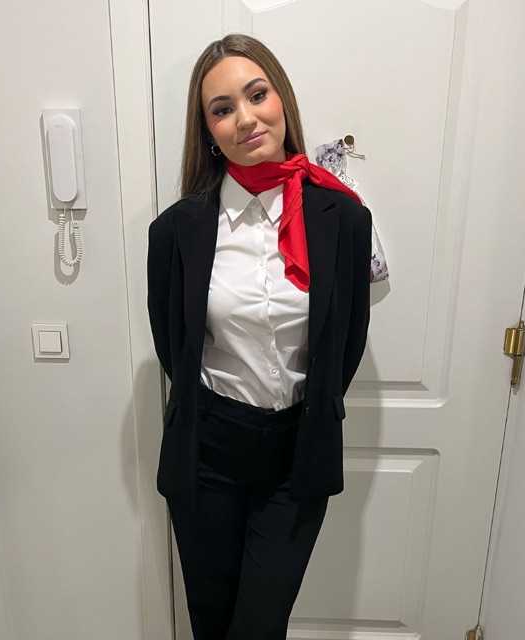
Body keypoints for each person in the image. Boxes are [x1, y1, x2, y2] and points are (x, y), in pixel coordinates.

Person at [147, 33, 372, 640]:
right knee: (212, 626)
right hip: (207, 455)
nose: (245, 119)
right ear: (208, 131)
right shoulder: (175, 232)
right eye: (222, 109)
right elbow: (173, 345)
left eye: (256, 95)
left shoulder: (344, 220)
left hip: (296, 459)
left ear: (282, 100)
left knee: (259, 627)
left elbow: (346, 342)